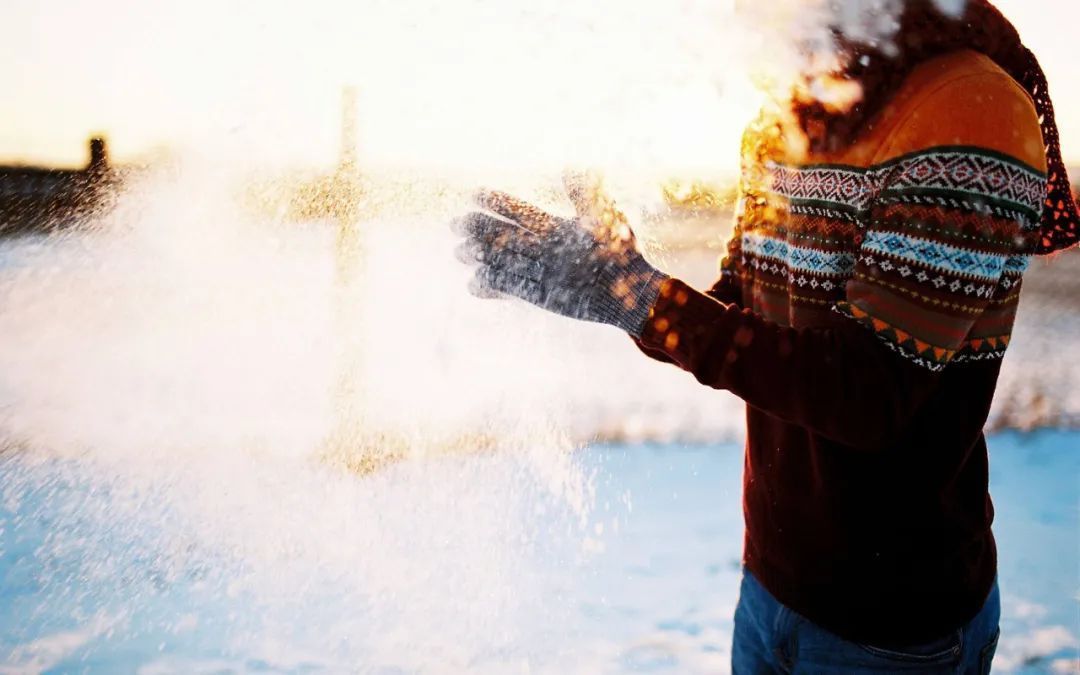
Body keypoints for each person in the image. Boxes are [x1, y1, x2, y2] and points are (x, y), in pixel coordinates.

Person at [452, 1, 1078, 673]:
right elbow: (732, 315)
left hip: (892, 632)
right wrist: (620, 282)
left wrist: (635, 294)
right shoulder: (792, 108)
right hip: (769, 589)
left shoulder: (970, 108)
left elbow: (867, 396)